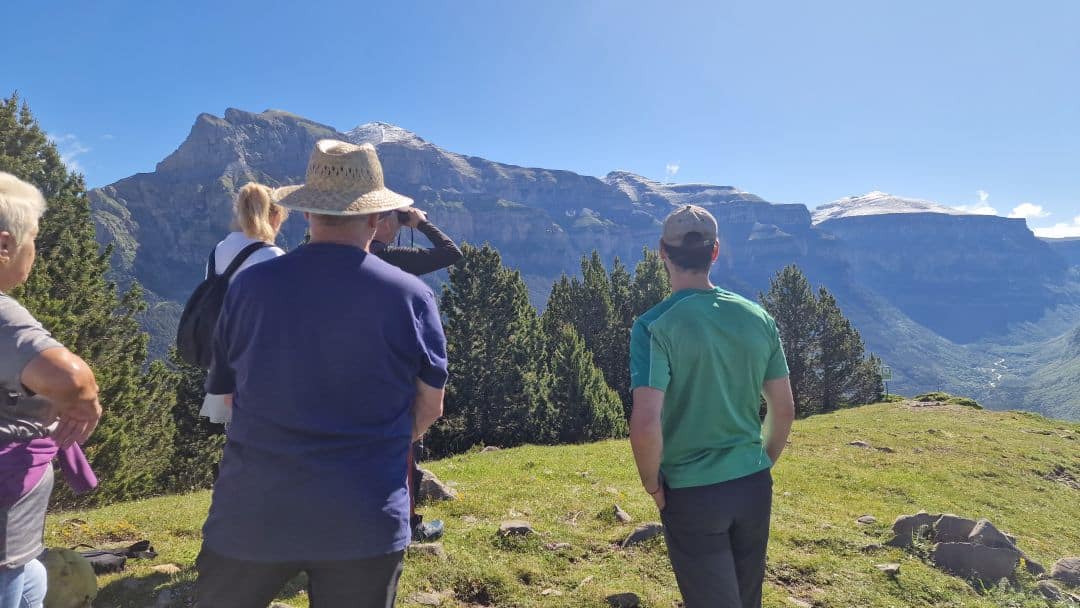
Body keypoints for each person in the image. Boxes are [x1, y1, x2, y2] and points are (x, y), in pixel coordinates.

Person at [195, 140, 447, 608]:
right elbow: (430, 406)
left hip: (253, 510)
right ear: (376, 217)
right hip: (365, 516)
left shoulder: (250, 285)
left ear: (306, 212)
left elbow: (228, 398)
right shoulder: (411, 296)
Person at [628, 204, 796, 608]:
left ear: (661, 253)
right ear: (715, 252)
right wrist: (761, 463)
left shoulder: (653, 326)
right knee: (746, 598)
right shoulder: (758, 317)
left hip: (692, 491)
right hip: (753, 484)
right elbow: (784, 408)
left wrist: (652, 484)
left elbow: (646, 422)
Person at [0, 172, 102, 608]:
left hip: (17, 551)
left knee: (33, 580)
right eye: (33, 240)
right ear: (5, 245)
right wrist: (87, 405)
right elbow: (71, 379)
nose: (35, 252)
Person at [371, 205, 461, 542]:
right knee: (403, 446)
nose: (397, 225)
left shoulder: (354, 259)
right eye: (392, 218)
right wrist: (421, 224)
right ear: (376, 221)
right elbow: (450, 253)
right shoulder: (391, 258)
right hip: (395, 368)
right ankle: (407, 524)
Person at [198, 183, 288, 425]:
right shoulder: (272, 256)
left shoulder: (218, 251)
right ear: (274, 216)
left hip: (224, 361)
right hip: (261, 365)